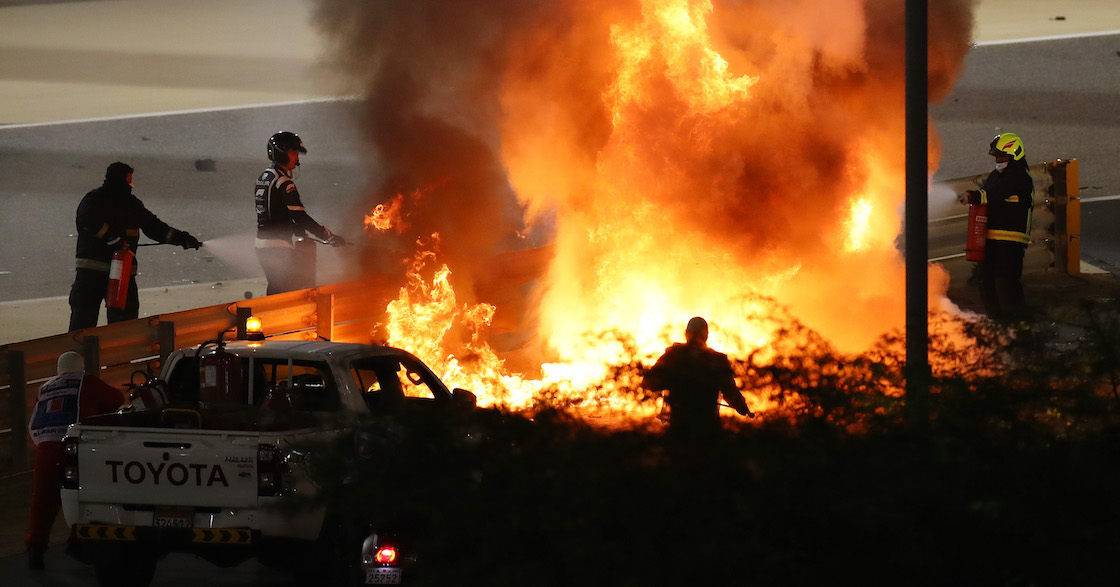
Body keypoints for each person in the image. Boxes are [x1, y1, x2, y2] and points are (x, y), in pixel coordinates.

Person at [68, 162, 202, 331]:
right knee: (85, 319)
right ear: (120, 179)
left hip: (121, 273)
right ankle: (77, 355)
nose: (132, 184)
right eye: (129, 179)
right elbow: (87, 218)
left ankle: (119, 355)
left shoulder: (131, 204)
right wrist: (112, 240)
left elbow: (155, 227)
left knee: (124, 323)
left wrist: (182, 238)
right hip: (93, 273)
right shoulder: (95, 200)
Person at [25, 351, 122, 570]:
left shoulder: (45, 387)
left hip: (45, 448)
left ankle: (35, 548)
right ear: (81, 367)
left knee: (43, 499)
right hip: (74, 448)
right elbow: (117, 399)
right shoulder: (87, 382)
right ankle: (78, 544)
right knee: (85, 493)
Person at [254, 131, 346, 295]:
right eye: (293, 153)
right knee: (290, 295)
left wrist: (299, 231)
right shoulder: (283, 182)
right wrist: (326, 235)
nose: (297, 158)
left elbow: (275, 211)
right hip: (278, 248)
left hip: (262, 246)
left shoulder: (264, 177)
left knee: (275, 291)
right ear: (281, 153)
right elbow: (300, 216)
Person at [958, 132, 1034, 320]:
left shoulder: (1020, 177)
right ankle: (997, 324)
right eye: (996, 156)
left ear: (1015, 154)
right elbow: (988, 191)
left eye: (1002, 156)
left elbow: (994, 193)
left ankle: (1020, 327)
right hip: (991, 238)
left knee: (1006, 283)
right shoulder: (996, 175)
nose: (998, 160)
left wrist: (973, 196)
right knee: (986, 282)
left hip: (1011, 241)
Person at [644, 317, 752, 443]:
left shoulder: (672, 356)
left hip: (680, 425)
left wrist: (670, 380)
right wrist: (742, 408)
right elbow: (730, 390)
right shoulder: (717, 359)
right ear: (706, 335)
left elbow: (650, 382)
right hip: (708, 425)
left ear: (686, 333)